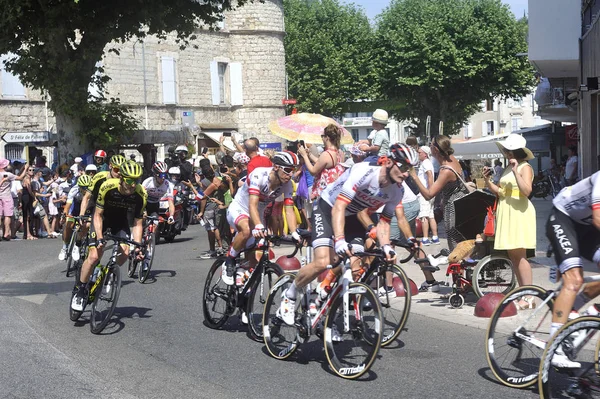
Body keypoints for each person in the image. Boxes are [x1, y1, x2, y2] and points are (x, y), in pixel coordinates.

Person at [278, 144, 418, 326]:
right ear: (390, 162)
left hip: (352, 217)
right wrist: (339, 240)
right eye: (404, 168)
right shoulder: (364, 172)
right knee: (323, 262)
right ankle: (290, 294)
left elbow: (384, 222)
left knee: (355, 264)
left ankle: (327, 307)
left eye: (410, 169)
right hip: (327, 208)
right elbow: (339, 207)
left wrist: (385, 247)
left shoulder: (397, 191)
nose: (406, 174)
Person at [71, 161, 146, 312]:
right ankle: (79, 290)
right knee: (93, 257)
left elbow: (138, 223)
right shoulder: (108, 187)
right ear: (122, 179)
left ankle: (108, 274)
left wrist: (137, 246)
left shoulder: (140, 193)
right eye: (130, 180)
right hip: (102, 219)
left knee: (125, 254)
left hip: (121, 222)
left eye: (136, 180)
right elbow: (97, 215)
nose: (133, 185)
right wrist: (99, 237)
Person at [544, 171, 600, 368]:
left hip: (586, 230)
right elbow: (598, 219)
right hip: (563, 218)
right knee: (574, 279)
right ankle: (555, 347)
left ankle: (575, 307)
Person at [223, 151, 301, 288]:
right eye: (288, 170)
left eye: (293, 170)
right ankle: (229, 259)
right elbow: (252, 204)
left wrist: (294, 233)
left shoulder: (287, 184)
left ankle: (244, 289)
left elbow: (289, 210)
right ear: (276, 167)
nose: (290, 175)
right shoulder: (259, 174)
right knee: (246, 231)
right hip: (240, 208)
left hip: (256, 215)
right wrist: (258, 225)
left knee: (258, 255)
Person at [408, 135, 470, 292]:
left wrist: (414, 176)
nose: (429, 146)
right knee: (460, 248)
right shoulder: (452, 159)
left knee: (455, 248)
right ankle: (462, 283)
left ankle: (460, 287)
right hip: (460, 205)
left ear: (435, 149)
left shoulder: (445, 171)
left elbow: (429, 194)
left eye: (431, 144)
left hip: (453, 210)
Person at [484, 134, 536, 304]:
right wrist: (487, 180)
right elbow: (500, 192)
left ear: (515, 151)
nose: (506, 153)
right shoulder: (507, 168)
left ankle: (529, 296)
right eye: (505, 150)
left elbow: (527, 191)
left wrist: (515, 172)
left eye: (508, 150)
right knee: (513, 255)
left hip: (520, 212)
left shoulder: (524, 167)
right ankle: (522, 293)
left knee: (521, 255)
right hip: (507, 211)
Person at [297, 123, 345, 201]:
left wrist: (304, 156)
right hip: (334, 192)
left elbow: (313, 171)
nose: (322, 139)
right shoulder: (339, 152)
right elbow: (321, 163)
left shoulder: (326, 154)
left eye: (322, 136)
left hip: (324, 193)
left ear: (327, 138)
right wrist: (309, 154)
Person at [58, 174, 93, 261]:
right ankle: (65, 247)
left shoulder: (93, 191)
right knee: (68, 225)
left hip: (87, 209)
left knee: (86, 225)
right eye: (83, 188)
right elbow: (68, 205)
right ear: (79, 186)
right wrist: (64, 214)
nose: (85, 190)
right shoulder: (74, 190)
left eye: (87, 187)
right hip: (75, 209)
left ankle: (77, 245)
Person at [0, 158, 28, 240]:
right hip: (7, 196)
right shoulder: (8, 174)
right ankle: (6, 233)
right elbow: (20, 177)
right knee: (7, 215)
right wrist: (25, 169)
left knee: (0, 215)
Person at [416, 146, 439, 245]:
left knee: (424, 216)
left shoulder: (425, 163)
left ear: (425, 154)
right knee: (431, 215)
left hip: (425, 193)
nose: (418, 154)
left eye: (419, 152)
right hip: (429, 192)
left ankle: (425, 238)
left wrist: (429, 190)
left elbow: (429, 175)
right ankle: (435, 237)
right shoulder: (428, 163)